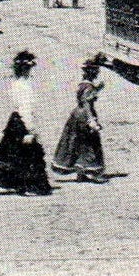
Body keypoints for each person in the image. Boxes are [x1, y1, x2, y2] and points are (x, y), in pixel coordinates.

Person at [0, 50, 53, 195]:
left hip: (15, 122)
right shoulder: (24, 86)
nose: (31, 71)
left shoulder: (16, 83)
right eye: (29, 68)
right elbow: (25, 109)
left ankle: (20, 184)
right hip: (22, 122)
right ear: (26, 69)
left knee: (15, 154)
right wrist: (30, 129)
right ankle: (29, 186)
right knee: (28, 154)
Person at [52, 54, 108, 182]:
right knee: (90, 143)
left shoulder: (83, 85)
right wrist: (91, 120)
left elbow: (83, 98)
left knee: (76, 142)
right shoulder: (89, 87)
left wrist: (98, 88)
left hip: (76, 114)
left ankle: (80, 172)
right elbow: (87, 103)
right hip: (85, 116)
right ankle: (91, 171)